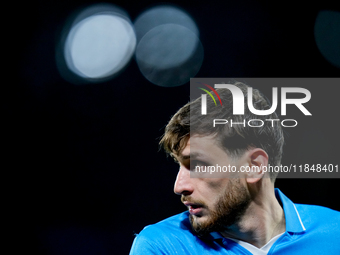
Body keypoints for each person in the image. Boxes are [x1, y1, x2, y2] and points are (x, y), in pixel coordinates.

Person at [129, 81, 340, 254]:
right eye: (180, 165)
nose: (179, 186)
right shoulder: (162, 246)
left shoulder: (335, 232)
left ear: (255, 166)